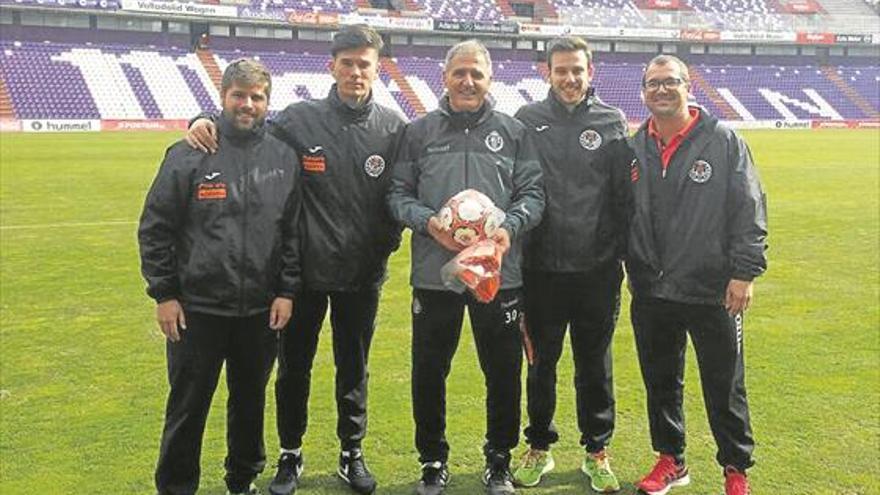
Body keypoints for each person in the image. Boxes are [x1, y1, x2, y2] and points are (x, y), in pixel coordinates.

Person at [185, 25, 406, 495]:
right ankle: (291, 453)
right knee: (294, 369)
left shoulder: (393, 128)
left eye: (363, 63)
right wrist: (203, 114)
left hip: (363, 276)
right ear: (332, 67)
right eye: (346, 62)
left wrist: (383, 245)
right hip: (302, 276)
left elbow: (401, 194)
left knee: (354, 368)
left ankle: (352, 452)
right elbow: (246, 121)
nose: (355, 71)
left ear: (376, 69)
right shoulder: (300, 120)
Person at [387, 40, 545, 495]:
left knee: (501, 370)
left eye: (476, 73)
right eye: (459, 72)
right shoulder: (418, 132)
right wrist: (428, 223)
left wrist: (507, 229)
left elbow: (533, 195)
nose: (468, 81)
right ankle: (433, 460)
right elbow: (398, 195)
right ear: (445, 76)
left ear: (489, 78)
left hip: (498, 274)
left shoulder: (514, 132)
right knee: (430, 369)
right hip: (435, 276)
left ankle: (498, 460)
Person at [139, 58, 301, 495]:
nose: (247, 104)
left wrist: (286, 291)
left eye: (256, 97)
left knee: (249, 404)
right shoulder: (190, 153)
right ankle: (176, 487)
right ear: (223, 97)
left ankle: (242, 480)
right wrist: (165, 294)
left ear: (268, 101)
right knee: (188, 407)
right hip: (198, 310)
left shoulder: (284, 156)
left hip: (259, 311)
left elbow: (291, 232)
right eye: (239, 96)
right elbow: (156, 228)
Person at [626, 54, 767, 495]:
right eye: (654, 84)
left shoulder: (723, 141)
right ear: (644, 91)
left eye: (671, 82)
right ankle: (671, 459)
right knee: (661, 380)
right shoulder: (634, 146)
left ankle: (735, 468)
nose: (662, 90)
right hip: (653, 288)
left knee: (725, 384)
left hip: (712, 289)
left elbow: (749, 208)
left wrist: (744, 273)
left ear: (689, 86)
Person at [510, 36, 631, 493]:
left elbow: (623, 198)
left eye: (577, 70)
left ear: (590, 71)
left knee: (595, 365)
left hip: (597, 271)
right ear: (548, 72)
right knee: (541, 363)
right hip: (540, 271)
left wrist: (619, 255)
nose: (570, 78)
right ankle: (539, 445)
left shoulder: (611, 121)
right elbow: (517, 189)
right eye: (561, 70)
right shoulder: (527, 120)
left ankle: (596, 451)